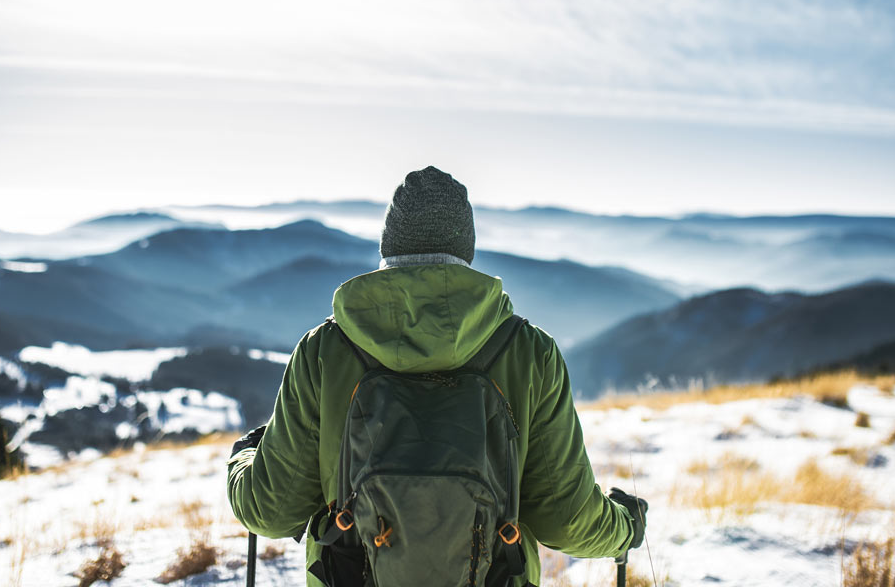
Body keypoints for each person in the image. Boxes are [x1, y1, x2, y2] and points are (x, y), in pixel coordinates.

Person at [228, 166, 647, 586]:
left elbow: (271, 510)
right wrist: (625, 526)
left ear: (388, 247)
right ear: (466, 250)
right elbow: (567, 520)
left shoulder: (325, 351)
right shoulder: (529, 352)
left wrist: (243, 459)